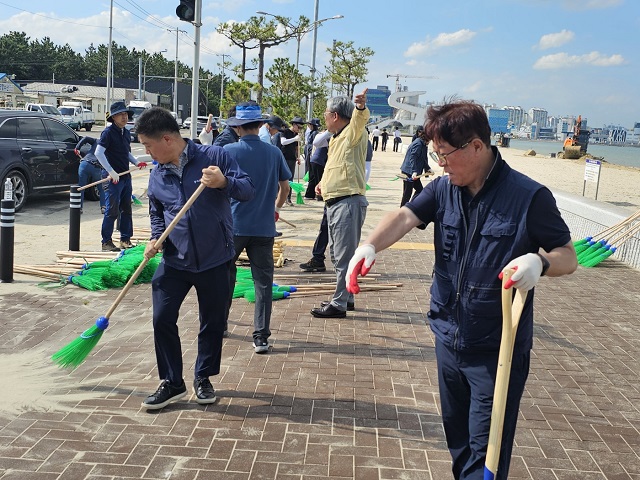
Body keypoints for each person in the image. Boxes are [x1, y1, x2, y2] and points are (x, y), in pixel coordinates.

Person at [345, 99, 577, 479]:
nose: (440, 164)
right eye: (436, 155)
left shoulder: (529, 197)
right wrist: (368, 246)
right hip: (448, 338)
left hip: (496, 351)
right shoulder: (443, 190)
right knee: (459, 444)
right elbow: (405, 216)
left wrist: (540, 262)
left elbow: (567, 256)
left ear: (476, 146)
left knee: (486, 453)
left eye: (445, 155)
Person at [136, 107, 255, 410]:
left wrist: (223, 182)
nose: (146, 152)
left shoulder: (215, 157)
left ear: (166, 140)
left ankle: (203, 377)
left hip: (216, 258)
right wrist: (156, 239)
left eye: (148, 146)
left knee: (212, 322)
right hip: (175, 261)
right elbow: (158, 215)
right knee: (161, 318)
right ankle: (172, 382)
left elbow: (248, 190)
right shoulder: (157, 174)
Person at [223, 102, 291, 353]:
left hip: (233, 226)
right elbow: (285, 188)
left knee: (224, 277)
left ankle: (220, 325)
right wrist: (276, 208)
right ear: (260, 125)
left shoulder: (228, 151)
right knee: (263, 283)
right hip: (263, 228)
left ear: (238, 128)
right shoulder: (274, 153)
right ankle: (261, 336)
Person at [310, 89, 370, 319]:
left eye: (326, 114)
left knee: (344, 255)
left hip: (348, 202)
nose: (324, 118)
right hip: (336, 202)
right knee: (337, 254)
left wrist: (360, 107)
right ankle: (347, 296)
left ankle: (339, 304)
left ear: (335, 115)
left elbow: (359, 119)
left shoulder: (353, 133)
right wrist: (323, 184)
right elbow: (334, 166)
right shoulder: (336, 139)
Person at [96, 101, 148, 252]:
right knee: (112, 210)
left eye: (126, 114)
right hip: (112, 177)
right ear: (113, 117)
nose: (124, 117)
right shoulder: (108, 132)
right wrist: (111, 171)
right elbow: (99, 153)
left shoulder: (125, 133)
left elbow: (126, 153)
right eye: (121, 114)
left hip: (125, 176)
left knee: (126, 208)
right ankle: (106, 242)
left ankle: (125, 239)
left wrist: (137, 162)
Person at [399, 128, 433, 207]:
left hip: (414, 172)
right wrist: (414, 171)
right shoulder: (418, 144)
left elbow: (423, 159)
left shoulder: (423, 144)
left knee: (420, 190)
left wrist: (428, 169)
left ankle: (410, 206)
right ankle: (403, 210)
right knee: (407, 193)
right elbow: (412, 157)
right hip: (408, 171)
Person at [75, 136, 106, 214]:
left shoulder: (96, 141)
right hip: (96, 167)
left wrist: (77, 148)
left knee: (81, 187)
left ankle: (79, 208)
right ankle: (103, 207)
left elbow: (85, 138)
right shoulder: (109, 145)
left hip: (84, 164)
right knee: (101, 188)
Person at [280, 116, 305, 205]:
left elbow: (296, 148)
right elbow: (283, 142)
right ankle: (280, 197)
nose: (300, 129)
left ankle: (288, 198)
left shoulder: (296, 135)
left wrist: (298, 157)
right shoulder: (285, 132)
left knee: (291, 179)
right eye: (299, 127)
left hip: (292, 159)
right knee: (283, 179)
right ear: (294, 125)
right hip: (284, 158)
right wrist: (294, 139)